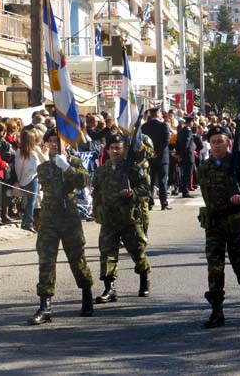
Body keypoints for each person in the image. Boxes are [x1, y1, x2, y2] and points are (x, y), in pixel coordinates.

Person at [27, 129, 94, 325]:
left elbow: (84, 180)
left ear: (66, 143)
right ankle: (45, 306)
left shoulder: (74, 162)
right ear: (46, 144)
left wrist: (66, 168)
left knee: (77, 259)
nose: (55, 144)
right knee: (46, 260)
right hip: (49, 220)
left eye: (58, 141)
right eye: (51, 141)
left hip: (69, 219)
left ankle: (87, 295)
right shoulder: (44, 168)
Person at [197, 126, 240, 329]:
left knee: (239, 263)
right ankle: (217, 311)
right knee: (214, 267)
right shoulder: (205, 167)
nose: (216, 145)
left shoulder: (238, 164)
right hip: (214, 223)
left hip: (235, 222)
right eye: (213, 141)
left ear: (228, 143)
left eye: (220, 141)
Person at [92, 133, 151, 304]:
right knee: (107, 253)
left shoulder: (133, 168)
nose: (115, 151)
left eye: (119, 148)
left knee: (137, 251)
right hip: (109, 219)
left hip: (128, 218)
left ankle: (144, 278)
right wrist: (96, 211)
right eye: (112, 148)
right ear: (107, 149)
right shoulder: (102, 170)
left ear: (125, 149)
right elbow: (97, 192)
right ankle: (109, 288)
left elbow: (145, 189)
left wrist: (132, 193)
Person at [141, 107, 172, 211]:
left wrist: (151, 153)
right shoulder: (164, 125)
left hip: (149, 157)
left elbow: (142, 141)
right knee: (162, 181)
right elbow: (166, 141)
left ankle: (150, 203)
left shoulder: (145, 126)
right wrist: (157, 152)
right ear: (158, 114)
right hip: (162, 157)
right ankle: (164, 203)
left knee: (150, 180)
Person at [14, 129, 41, 233]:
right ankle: (28, 222)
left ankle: (26, 221)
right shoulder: (33, 154)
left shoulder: (18, 151)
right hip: (32, 179)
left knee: (27, 202)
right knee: (31, 202)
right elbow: (38, 168)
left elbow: (17, 166)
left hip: (22, 179)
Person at [176, 116, 196, 198]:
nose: (193, 123)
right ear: (190, 122)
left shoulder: (181, 130)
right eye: (192, 122)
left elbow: (178, 143)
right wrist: (183, 155)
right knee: (188, 174)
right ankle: (186, 191)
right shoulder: (188, 130)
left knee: (185, 174)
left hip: (183, 155)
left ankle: (185, 190)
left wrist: (179, 155)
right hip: (188, 156)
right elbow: (186, 144)